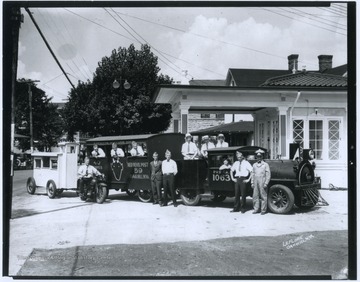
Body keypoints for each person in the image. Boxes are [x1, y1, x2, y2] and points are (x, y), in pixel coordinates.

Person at [251, 149, 271, 215]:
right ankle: (256, 209)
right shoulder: (254, 165)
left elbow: (268, 174)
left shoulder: (265, 165)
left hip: (262, 180)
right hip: (256, 180)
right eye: (257, 156)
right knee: (255, 195)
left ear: (262, 157)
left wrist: (266, 183)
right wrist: (252, 182)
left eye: (260, 156)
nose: (259, 158)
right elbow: (253, 174)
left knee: (263, 196)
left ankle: (263, 210)